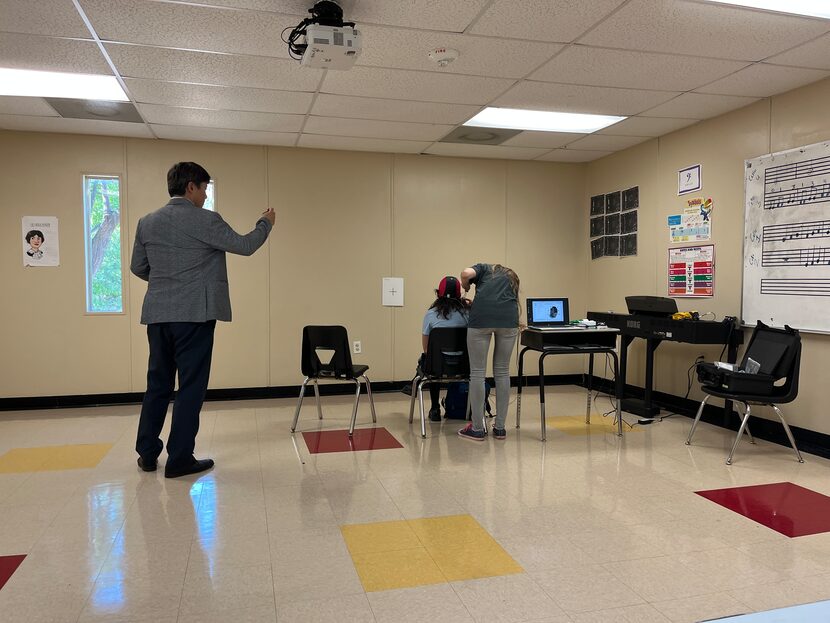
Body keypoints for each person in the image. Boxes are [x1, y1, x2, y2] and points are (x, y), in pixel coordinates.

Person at [130, 161, 275, 478]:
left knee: (158, 384)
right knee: (190, 387)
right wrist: (265, 223)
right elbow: (245, 245)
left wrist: (167, 281)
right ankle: (180, 458)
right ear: (191, 186)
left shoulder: (147, 222)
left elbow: (138, 268)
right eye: (205, 188)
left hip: (158, 316)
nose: (206, 195)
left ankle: (147, 454)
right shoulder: (206, 220)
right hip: (194, 316)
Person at [457, 263, 520, 441]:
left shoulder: (484, 268)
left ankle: (477, 429)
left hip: (481, 319)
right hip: (509, 321)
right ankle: (500, 428)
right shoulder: (510, 276)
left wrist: (466, 285)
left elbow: (465, 272)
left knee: (477, 373)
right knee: (502, 371)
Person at [420, 276, 469, 422]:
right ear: (459, 295)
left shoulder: (430, 314)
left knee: (430, 361)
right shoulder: (468, 314)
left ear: (438, 293)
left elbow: (426, 349)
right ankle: (461, 405)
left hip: (437, 367)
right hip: (464, 366)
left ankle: (435, 408)